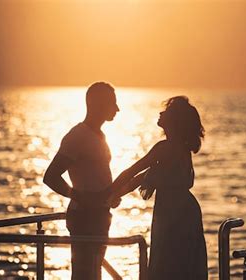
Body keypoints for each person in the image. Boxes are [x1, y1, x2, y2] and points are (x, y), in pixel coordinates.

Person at [107, 96, 208, 280]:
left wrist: (107, 193)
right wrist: (114, 193)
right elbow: (139, 179)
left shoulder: (165, 148)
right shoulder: (181, 148)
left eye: (166, 112)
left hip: (173, 214)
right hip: (182, 210)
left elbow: (132, 172)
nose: (161, 113)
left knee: (167, 264)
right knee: (181, 266)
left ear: (174, 121)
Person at [43, 82, 120, 280]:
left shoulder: (100, 136)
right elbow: (51, 176)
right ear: (99, 105)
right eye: (113, 103)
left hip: (101, 215)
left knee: (94, 272)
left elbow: (95, 175)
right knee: (85, 273)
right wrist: (82, 198)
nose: (117, 109)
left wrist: (110, 195)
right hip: (85, 217)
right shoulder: (77, 136)